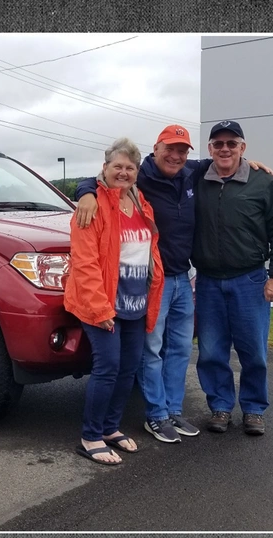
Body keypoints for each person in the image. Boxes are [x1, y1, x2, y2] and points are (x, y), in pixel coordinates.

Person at [74, 125, 273, 443]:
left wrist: (252, 164)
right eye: (170, 148)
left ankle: (172, 411)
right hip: (156, 281)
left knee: (181, 350)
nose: (176, 155)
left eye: (183, 150)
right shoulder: (143, 176)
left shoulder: (190, 172)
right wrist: (84, 192)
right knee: (151, 351)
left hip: (185, 277)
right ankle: (155, 416)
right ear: (156, 148)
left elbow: (225, 159)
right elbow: (102, 179)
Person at [64, 137, 164, 465]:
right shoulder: (91, 204)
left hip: (135, 303)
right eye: (117, 166)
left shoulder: (140, 202)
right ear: (104, 168)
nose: (123, 172)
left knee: (128, 369)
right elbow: (85, 261)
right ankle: (90, 436)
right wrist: (99, 308)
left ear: (137, 172)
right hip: (102, 303)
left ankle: (110, 428)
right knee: (107, 367)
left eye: (129, 168)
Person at [193, 120, 273, 435]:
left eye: (231, 143)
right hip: (208, 281)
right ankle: (220, 408)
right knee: (211, 352)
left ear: (242, 147)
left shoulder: (263, 182)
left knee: (254, 352)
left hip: (249, 280)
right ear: (209, 149)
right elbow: (155, 167)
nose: (225, 149)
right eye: (218, 144)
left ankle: (253, 410)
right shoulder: (197, 177)